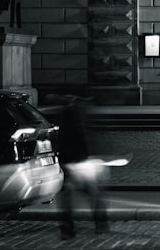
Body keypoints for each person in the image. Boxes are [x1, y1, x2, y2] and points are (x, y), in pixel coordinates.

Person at [52, 94, 108, 239]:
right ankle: (101, 224)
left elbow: (63, 142)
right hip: (82, 162)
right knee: (92, 194)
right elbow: (87, 139)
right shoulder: (80, 116)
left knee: (67, 198)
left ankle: (68, 229)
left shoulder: (66, 116)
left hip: (70, 162)